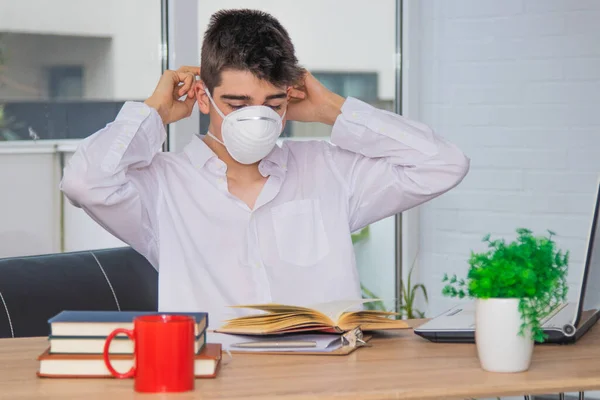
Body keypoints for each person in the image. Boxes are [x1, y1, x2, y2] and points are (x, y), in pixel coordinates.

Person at [60, 9, 469, 328]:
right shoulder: (162, 186)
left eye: (272, 104)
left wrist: (332, 111)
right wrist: (154, 114)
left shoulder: (328, 170)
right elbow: (84, 183)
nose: (256, 119)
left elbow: (443, 164)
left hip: (325, 386)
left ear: (289, 99)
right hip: (215, 386)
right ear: (203, 96)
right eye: (237, 105)